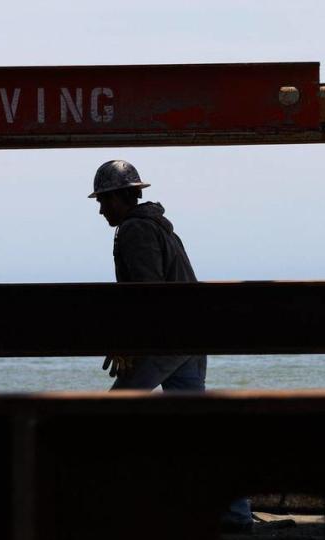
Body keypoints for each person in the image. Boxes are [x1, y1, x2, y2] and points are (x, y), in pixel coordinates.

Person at [90, 159, 253, 532]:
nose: (101, 209)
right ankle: (235, 511)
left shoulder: (134, 231)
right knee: (196, 424)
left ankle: (104, 500)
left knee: (107, 414)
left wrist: (128, 344)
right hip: (191, 339)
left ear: (121, 197)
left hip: (166, 340)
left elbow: (150, 296)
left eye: (104, 200)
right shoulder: (160, 229)